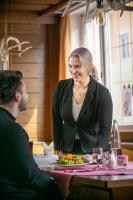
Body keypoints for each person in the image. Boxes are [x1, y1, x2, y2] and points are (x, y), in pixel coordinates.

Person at [0, 70, 63, 200]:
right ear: (18, 96)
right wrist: (58, 187)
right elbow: (32, 176)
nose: (27, 96)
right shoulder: (13, 131)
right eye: (26, 92)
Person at [52, 47, 113, 154]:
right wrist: (57, 149)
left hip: (92, 152)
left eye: (77, 66)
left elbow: (105, 131)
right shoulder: (61, 87)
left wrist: (96, 154)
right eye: (70, 66)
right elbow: (56, 120)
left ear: (89, 66)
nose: (73, 71)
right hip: (67, 150)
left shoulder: (102, 93)